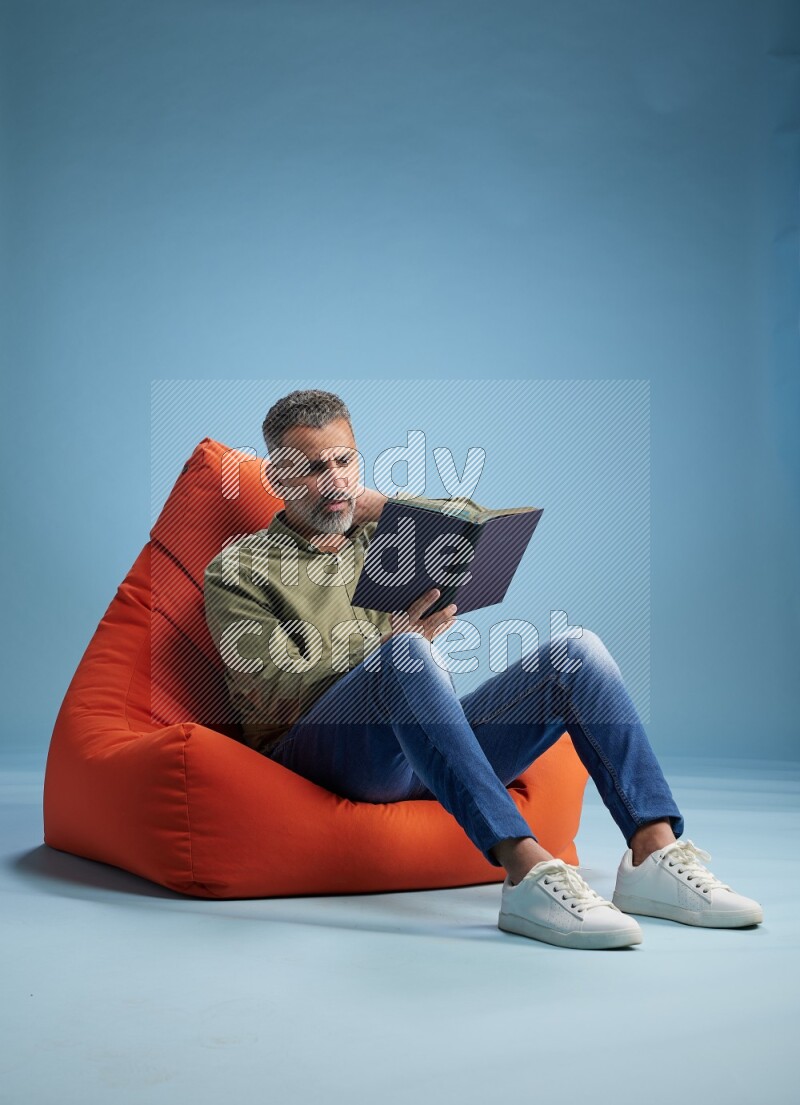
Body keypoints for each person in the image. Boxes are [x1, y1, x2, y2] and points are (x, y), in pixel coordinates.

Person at [203, 389, 764, 950]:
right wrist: (385, 646)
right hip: (327, 755)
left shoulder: (383, 535)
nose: (333, 481)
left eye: (344, 461)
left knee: (578, 652)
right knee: (403, 655)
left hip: (424, 750)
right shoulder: (238, 568)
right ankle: (524, 870)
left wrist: (383, 507)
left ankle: (653, 853)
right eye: (312, 469)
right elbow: (270, 692)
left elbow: (477, 529)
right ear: (277, 477)